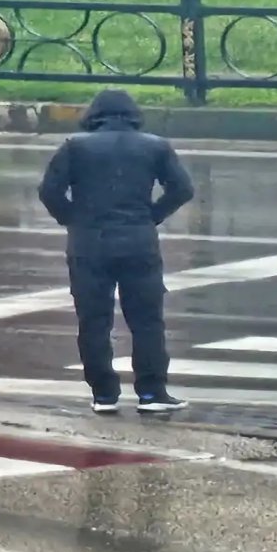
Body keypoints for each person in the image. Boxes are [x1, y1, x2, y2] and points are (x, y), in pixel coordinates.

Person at [37, 89, 194, 415]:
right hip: (139, 242)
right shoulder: (155, 146)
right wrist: (151, 216)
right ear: (134, 115)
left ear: (93, 116)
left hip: (89, 245)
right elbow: (182, 189)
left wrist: (73, 219)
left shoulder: (75, 147)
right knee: (147, 321)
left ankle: (104, 394)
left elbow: (49, 191)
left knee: (93, 322)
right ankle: (152, 392)